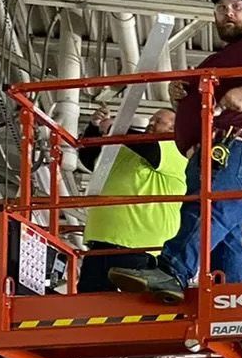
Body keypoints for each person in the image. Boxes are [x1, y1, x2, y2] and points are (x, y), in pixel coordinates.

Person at [111, 0, 242, 301]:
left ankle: (172, 270)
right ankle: (231, 298)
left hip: (235, 147)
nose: (228, 13)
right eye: (221, 8)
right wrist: (179, 96)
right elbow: (195, 106)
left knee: (208, 210)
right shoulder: (215, 61)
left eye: (236, 8)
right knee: (226, 231)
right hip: (206, 154)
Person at [74, 105, 188, 293]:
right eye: (151, 119)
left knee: (133, 311)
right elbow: (90, 160)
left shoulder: (176, 150)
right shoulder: (129, 151)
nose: (151, 123)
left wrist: (114, 129)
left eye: (159, 121)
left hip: (139, 249)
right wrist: (94, 128)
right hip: (100, 246)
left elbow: (149, 147)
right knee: (89, 310)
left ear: (175, 129)